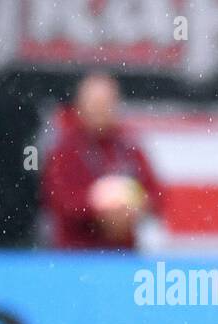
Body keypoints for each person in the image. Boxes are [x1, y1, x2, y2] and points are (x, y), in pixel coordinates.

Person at [40, 72, 163, 250]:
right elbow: (58, 201)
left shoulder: (129, 147)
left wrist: (135, 209)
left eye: (106, 104)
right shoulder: (64, 149)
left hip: (122, 257)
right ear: (79, 106)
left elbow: (156, 196)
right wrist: (98, 210)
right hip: (74, 257)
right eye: (95, 104)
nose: (100, 110)